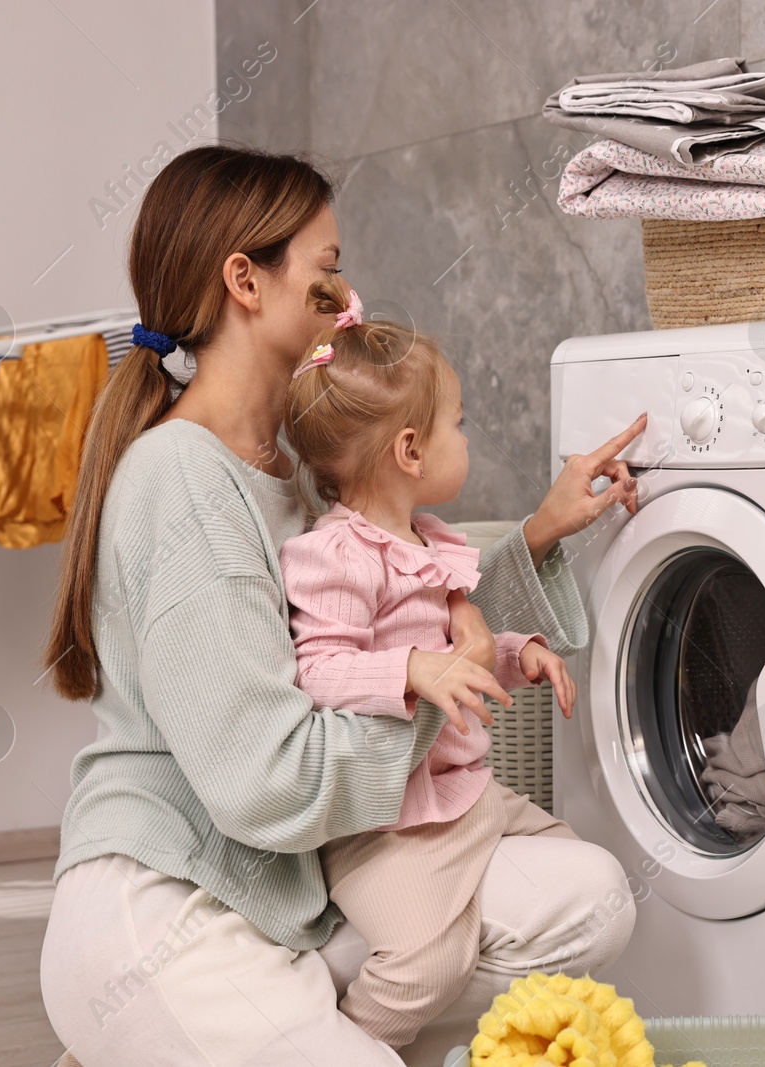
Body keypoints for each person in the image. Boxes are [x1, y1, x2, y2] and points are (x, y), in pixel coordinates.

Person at [37, 144, 647, 1067]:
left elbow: (390, 608)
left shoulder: (289, 473)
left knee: (591, 898)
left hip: (292, 883)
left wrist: (541, 532)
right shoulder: (180, 480)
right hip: (169, 901)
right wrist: (434, 676)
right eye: (326, 273)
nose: (347, 296)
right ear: (246, 280)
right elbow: (267, 776)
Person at [280, 276, 581, 1049]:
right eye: (460, 423)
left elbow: (461, 659)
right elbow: (317, 669)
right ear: (410, 450)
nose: (468, 437)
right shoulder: (338, 556)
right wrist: (410, 670)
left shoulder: (430, 539)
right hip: (394, 822)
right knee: (427, 964)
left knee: (572, 867)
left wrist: (520, 655)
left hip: (465, 792)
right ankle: (341, 1046)